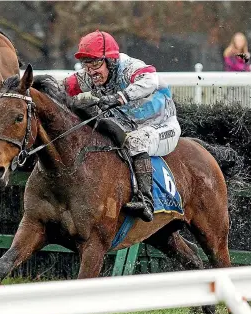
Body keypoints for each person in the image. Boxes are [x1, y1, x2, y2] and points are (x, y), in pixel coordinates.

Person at [63, 30, 181, 222]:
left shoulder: (129, 67)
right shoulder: (88, 76)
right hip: (129, 127)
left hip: (162, 127)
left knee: (135, 141)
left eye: (96, 63)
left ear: (110, 60)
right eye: (87, 63)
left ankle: (146, 200)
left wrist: (120, 98)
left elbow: (150, 79)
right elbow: (61, 88)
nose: (91, 70)